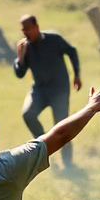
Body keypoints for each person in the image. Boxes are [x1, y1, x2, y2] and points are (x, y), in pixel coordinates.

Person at [14, 15, 81, 169]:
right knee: (28, 114)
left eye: (28, 29)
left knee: (62, 125)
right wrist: (20, 58)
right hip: (40, 90)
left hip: (59, 90)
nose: (25, 34)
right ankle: (44, 145)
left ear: (36, 27)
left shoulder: (53, 39)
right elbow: (19, 74)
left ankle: (68, 164)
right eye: (23, 30)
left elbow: (72, 51)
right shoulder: (25, 48)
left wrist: (77, 74)